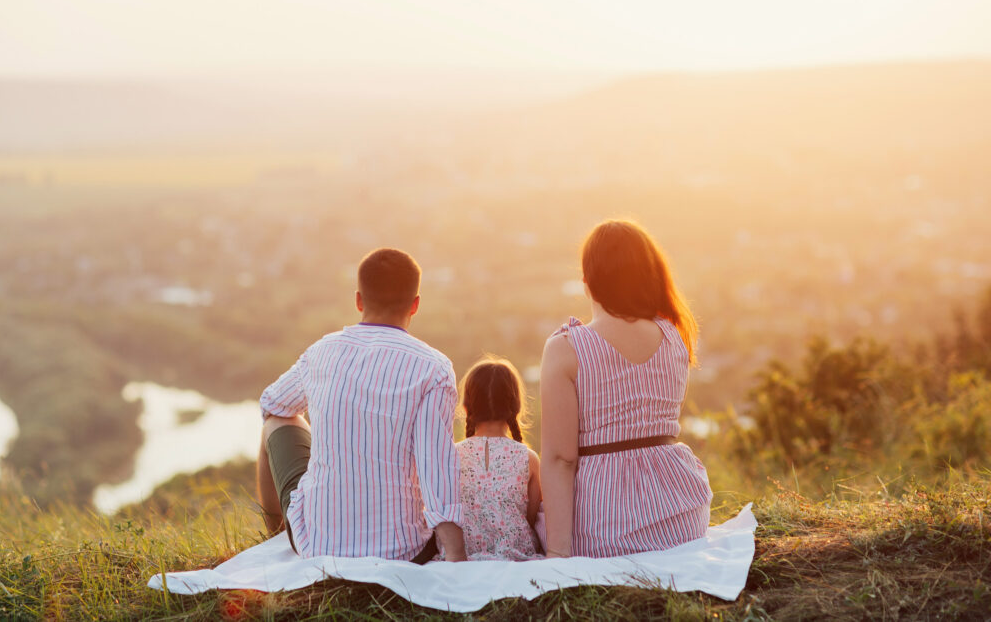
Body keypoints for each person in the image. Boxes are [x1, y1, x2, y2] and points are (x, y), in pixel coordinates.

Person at [256, 248, 466, 562]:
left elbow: (272, 403)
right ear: (415, 305)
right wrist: (457, 558)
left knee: (276, 421)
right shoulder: (433, 368)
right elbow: (436, 468)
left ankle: (275, 537)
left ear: (358, 300)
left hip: (317, 544)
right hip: (403, 551)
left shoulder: (321, 352)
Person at [539, 219, 713, 558]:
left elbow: (561, 459)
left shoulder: (566, 348)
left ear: (588, 284)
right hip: (683, 518)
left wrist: (558, 556)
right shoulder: (675, 335)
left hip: (605, 528)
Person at [454, 357, 542, 560]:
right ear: (516, 407)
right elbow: (528, 518)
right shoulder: (528, 458)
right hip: (516, 557)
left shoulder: (451, 456)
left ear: (466, 407)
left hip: (463, 557)